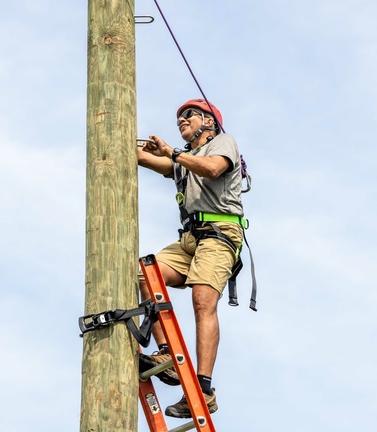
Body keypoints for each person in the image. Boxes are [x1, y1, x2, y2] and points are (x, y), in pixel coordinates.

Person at [137, 98, 246, 418]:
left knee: (202, 300)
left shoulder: (224, 143)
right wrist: (131, 141)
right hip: (190, 238)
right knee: (145, 274)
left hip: (220, 233)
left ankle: (204, 389)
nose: (181, 120)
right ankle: (166, 355)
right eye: (179, 117)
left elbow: (213, 169)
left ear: (210, 122)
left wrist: (172, 152)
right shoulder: (184, 159)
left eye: (189, 115)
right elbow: (142, 158)